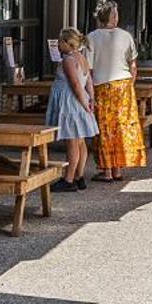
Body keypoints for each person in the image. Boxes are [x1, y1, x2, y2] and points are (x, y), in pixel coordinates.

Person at [86, 0, 147, 182]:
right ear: (114, 16)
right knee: (122, 125)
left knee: (105, 127)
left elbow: (88, 69)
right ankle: (119, 168)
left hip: (101, 84)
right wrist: (130, 84)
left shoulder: (91, 37)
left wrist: (89, 92)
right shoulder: (126, 36)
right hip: (124, 84)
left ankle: (107, 171)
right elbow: (133, 64)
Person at [43, 27, 98, 192]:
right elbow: (88, 81)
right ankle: (79, 176)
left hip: (71, 104)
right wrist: (91, 99)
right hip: (81, 103)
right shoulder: (82, 58)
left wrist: (83, 102)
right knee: (80, 142)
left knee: (72, 143)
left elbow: (75, 84)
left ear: (68, 43)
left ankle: (68, 179)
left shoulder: (68, 60)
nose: (58, 44)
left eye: (60, 41)